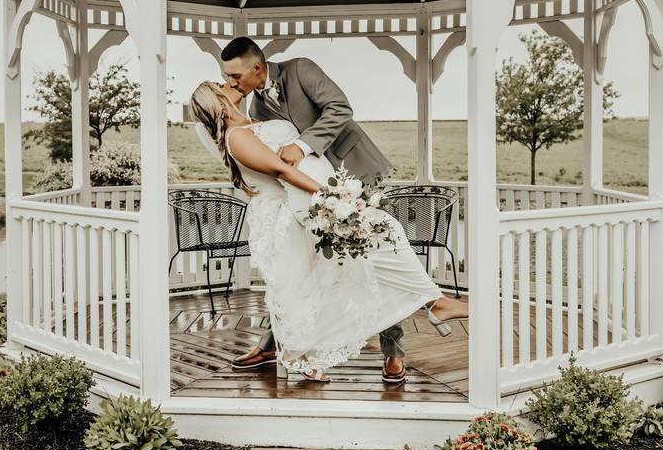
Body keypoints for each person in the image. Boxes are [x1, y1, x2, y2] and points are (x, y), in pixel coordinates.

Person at [188, 79, 468, 382]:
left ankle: (431, 304)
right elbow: (283, 170)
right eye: (220, 84)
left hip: (311, 201)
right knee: (329, 271)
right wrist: (330, 195)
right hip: (300, 208)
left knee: (358, 256)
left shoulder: (256, 118)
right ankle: (301, 352)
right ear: (216, 99)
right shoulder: (237, 137)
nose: (228, 82)